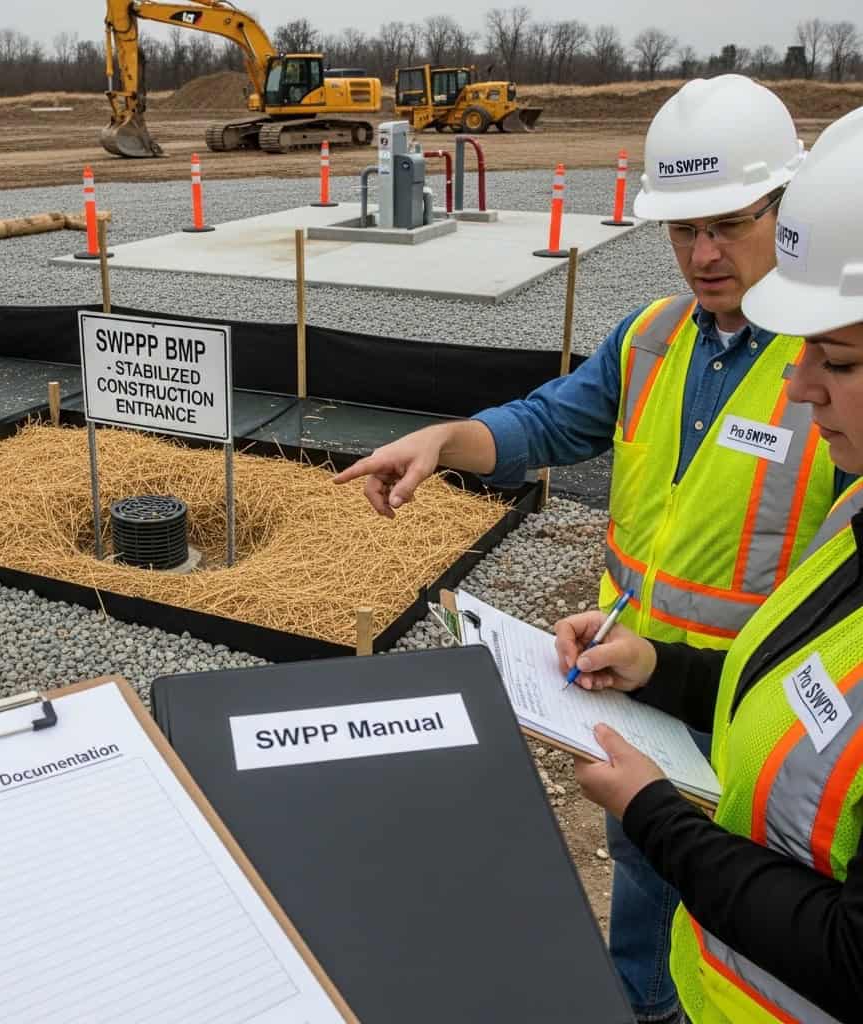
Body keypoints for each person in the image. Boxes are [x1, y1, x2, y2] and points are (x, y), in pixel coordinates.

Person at [335, 75, 854, 1023]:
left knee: (744, 944)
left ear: (786, 209)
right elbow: (542, 424)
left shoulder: (827, 374)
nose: (702, 255)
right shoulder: (653, 338)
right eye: (681, 230)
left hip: (762, 737)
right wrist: (444, 441)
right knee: (642, 915)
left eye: (728, 226)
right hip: (635, 691)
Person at [556, 106, 863, 1024]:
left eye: (838, 362)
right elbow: (801, 683)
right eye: (684, 229)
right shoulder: (856, 515)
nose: (802, 387)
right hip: (675, 766)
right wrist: (659, 669)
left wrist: (662, 820)